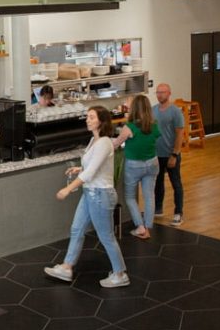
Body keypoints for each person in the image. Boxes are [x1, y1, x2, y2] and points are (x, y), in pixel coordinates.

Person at [43, 106, 130, 288]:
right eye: (87, 117)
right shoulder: (93, 140)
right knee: (76, 229)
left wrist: (68, 189)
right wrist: (79, 169)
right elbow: (92, 167)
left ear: (101, 121)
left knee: (106, 236)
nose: (87, 120)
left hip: (101, 195)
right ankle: (66, 267)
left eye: (91, 117)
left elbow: (91, 173)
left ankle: (120, 274)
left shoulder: (105, 143)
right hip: (90, 193)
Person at [113, 94, 161, 239]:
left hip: (134, 165)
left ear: (134, 108)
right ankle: (148, 227)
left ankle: (140, 227)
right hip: (152, 163)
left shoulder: (130, 127)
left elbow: (115, 144)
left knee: (129, 197)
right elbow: (154, 138)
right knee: (149, 196)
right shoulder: (154, 125)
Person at [153, 83, 185, 226]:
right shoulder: (153, 110)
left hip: (170, 154)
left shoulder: (175, 112)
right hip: (156, 154)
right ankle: (158, 208)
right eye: (158, 92)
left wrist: (174, 154)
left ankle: (178, 213)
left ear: (169, 93)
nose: (160, 95)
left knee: (175, 183)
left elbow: (179, 134)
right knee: (158, 182)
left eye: (163, 92)